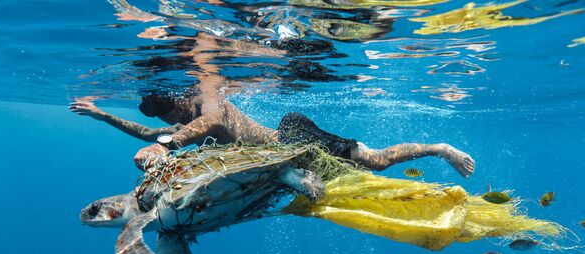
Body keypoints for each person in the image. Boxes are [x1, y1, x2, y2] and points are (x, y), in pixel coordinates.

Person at [70, 32, 475, 176]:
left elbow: (209, 123)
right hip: (285, 152)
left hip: (292, 137)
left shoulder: (208, 98)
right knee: (361, 167)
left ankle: (441, 148)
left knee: (376, 161)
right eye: (163, 117)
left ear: (177, 99)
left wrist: (168, 145)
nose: (168, 119)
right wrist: (101, 114)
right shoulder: (179, 123)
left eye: (167, 111)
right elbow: (143, 132)